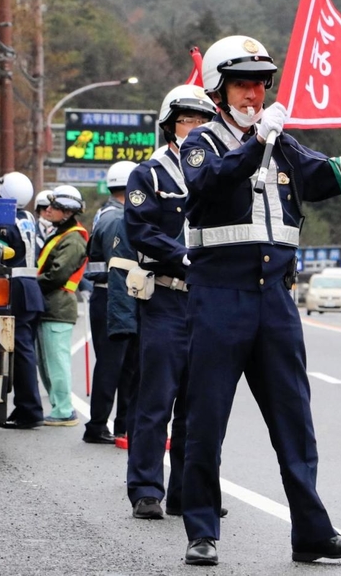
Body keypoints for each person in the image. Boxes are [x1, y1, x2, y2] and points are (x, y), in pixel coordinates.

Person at [178, 35, 341, 566]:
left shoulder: (284, 144)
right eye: (243, 83)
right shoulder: (202, 141)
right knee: (206, 417)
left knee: (294, 420)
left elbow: (339, 174)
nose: (254, 93)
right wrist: (254, 145)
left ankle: (312, 531)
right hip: (219, 297)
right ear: (219, 88)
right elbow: (207, 184)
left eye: (261, 83)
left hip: (275, 302)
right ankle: (201, 529)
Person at [123, 85, 220, 520]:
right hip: (165, 295)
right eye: (186, 121)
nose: (194, 129)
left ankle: (189, 494)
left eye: (202, 122)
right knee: (156, 399)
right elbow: (140, 229)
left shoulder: (221, 173)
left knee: (201, 405)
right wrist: (180, 254)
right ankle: (146, 489)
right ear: (169, 126)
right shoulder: (150, 174)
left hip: (210, 301)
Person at [83, 160, 139, 444]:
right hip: (114, 295)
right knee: (114, 364)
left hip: (107, 295)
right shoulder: (119, 219)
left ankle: (121, 425)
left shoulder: (106, 213)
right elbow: (120, 266)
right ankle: (97, 426)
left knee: (124, 362)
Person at [0, 172, 47, 430]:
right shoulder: (29, 218)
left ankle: (29, 409)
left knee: (22, 350)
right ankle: (26, 406)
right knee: (25, 349)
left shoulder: (3, 220)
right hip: (31, 285)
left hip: (14, 285)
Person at [35, 185, 89, 427]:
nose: (49, 210)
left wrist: (31, 284)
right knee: (48, 362)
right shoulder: (62, 234)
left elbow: (57, 275)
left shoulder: (74, 238)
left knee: (56, 361)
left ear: (67, 212)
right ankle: (59, 408)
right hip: (50, 305)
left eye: (54, 207)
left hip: (58, 306)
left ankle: (64, 410)